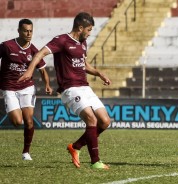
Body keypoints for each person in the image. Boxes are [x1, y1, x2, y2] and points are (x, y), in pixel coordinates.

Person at [18, 12, 111, 169]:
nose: (89, 34)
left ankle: (75, 147)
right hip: (70, 89)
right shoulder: (61, 40)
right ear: (80, 27)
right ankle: (95, 162)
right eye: (88, 30)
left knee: (105, 121)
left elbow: (84, 64)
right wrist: (29, 71)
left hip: (85, 87)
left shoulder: (83, 42)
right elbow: (40, 53)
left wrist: (99, 73)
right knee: (92, 120)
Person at [0, 19, 53, 160]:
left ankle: (26, 152)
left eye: (31, 31)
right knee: (18, 122)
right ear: (18, 31)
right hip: (9, 87)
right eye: (25, 31)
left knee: (29, 121)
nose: (29, 33)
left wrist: (47, 84)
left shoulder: (34, 50)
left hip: (27, 87)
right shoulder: (7, 46)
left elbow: (42, 70)